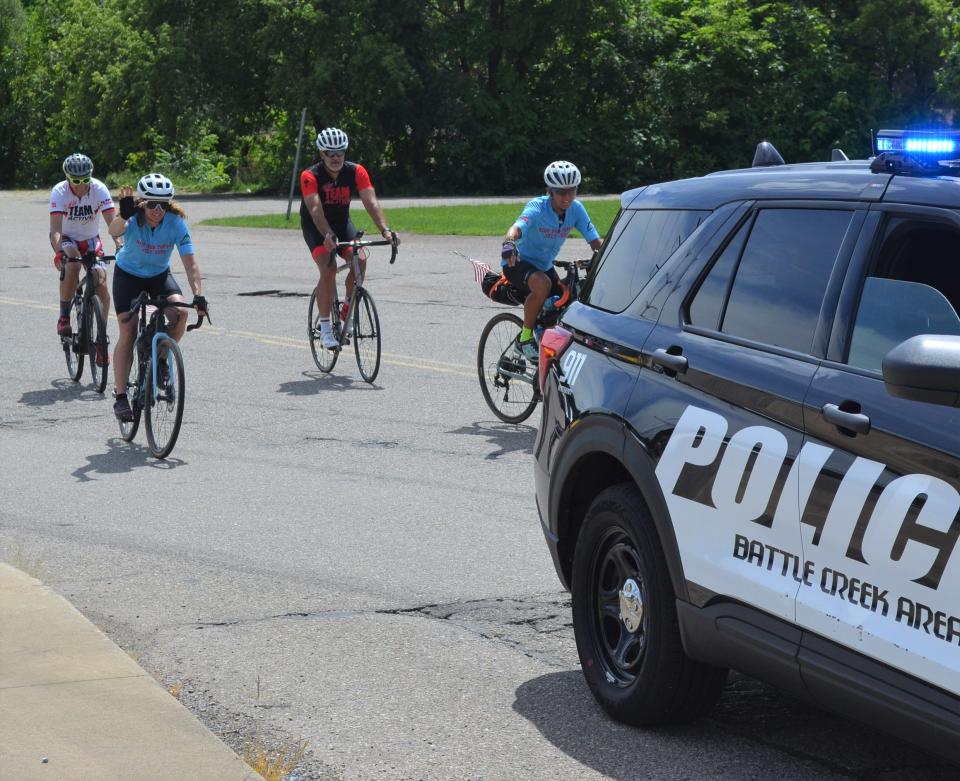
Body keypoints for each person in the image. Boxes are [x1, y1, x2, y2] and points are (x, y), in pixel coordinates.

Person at [107, 173, 208, 421]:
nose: (157, 210)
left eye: (163, 204)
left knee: (181, 313)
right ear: (142, 203)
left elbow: (190, 264)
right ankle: (121, 398)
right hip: (128, 277)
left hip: (158, 276)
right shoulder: (133, 217)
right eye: (151, 204)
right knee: (128, 330)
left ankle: (160, 358)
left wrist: (198, 295)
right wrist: (124, 214)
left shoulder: (175, 223)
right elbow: (113, 231)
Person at [300, 127, 399, 350]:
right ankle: (325, 329)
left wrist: (386, 230)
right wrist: (327, 235)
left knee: (360, 258)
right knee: (328, 270)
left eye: (340, 153)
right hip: (317, 227)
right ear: (321, 154)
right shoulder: (310, 176)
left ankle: (346, 306)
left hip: (342, 223)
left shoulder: (356, 171)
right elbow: (315, 209)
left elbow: (371, 202)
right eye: (330, 154)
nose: (335, 158)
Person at [500, 161, 603, 360]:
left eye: (571, 191)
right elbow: (517, 227)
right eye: (561, 192)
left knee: (570, 298)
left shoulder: (576, 209)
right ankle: (525, 338)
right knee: (543, 284)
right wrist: (509, 243)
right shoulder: (537, 207)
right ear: (550, 190)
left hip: (544, 266)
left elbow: (596, 242)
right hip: (517, 263)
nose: (567, 197)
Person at [49, 153, 118, 353]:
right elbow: (55, 230)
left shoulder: (99, 189)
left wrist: (120, 245)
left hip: (90, 239)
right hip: (67, 238)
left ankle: (101, 338)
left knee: (101, 282)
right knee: (73, 264)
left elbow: (112, 224)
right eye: (76, 181)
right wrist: (59, 252)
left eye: (85, 180)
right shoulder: (59, 192)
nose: (81, 185)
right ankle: (64, 316)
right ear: (67, 178)